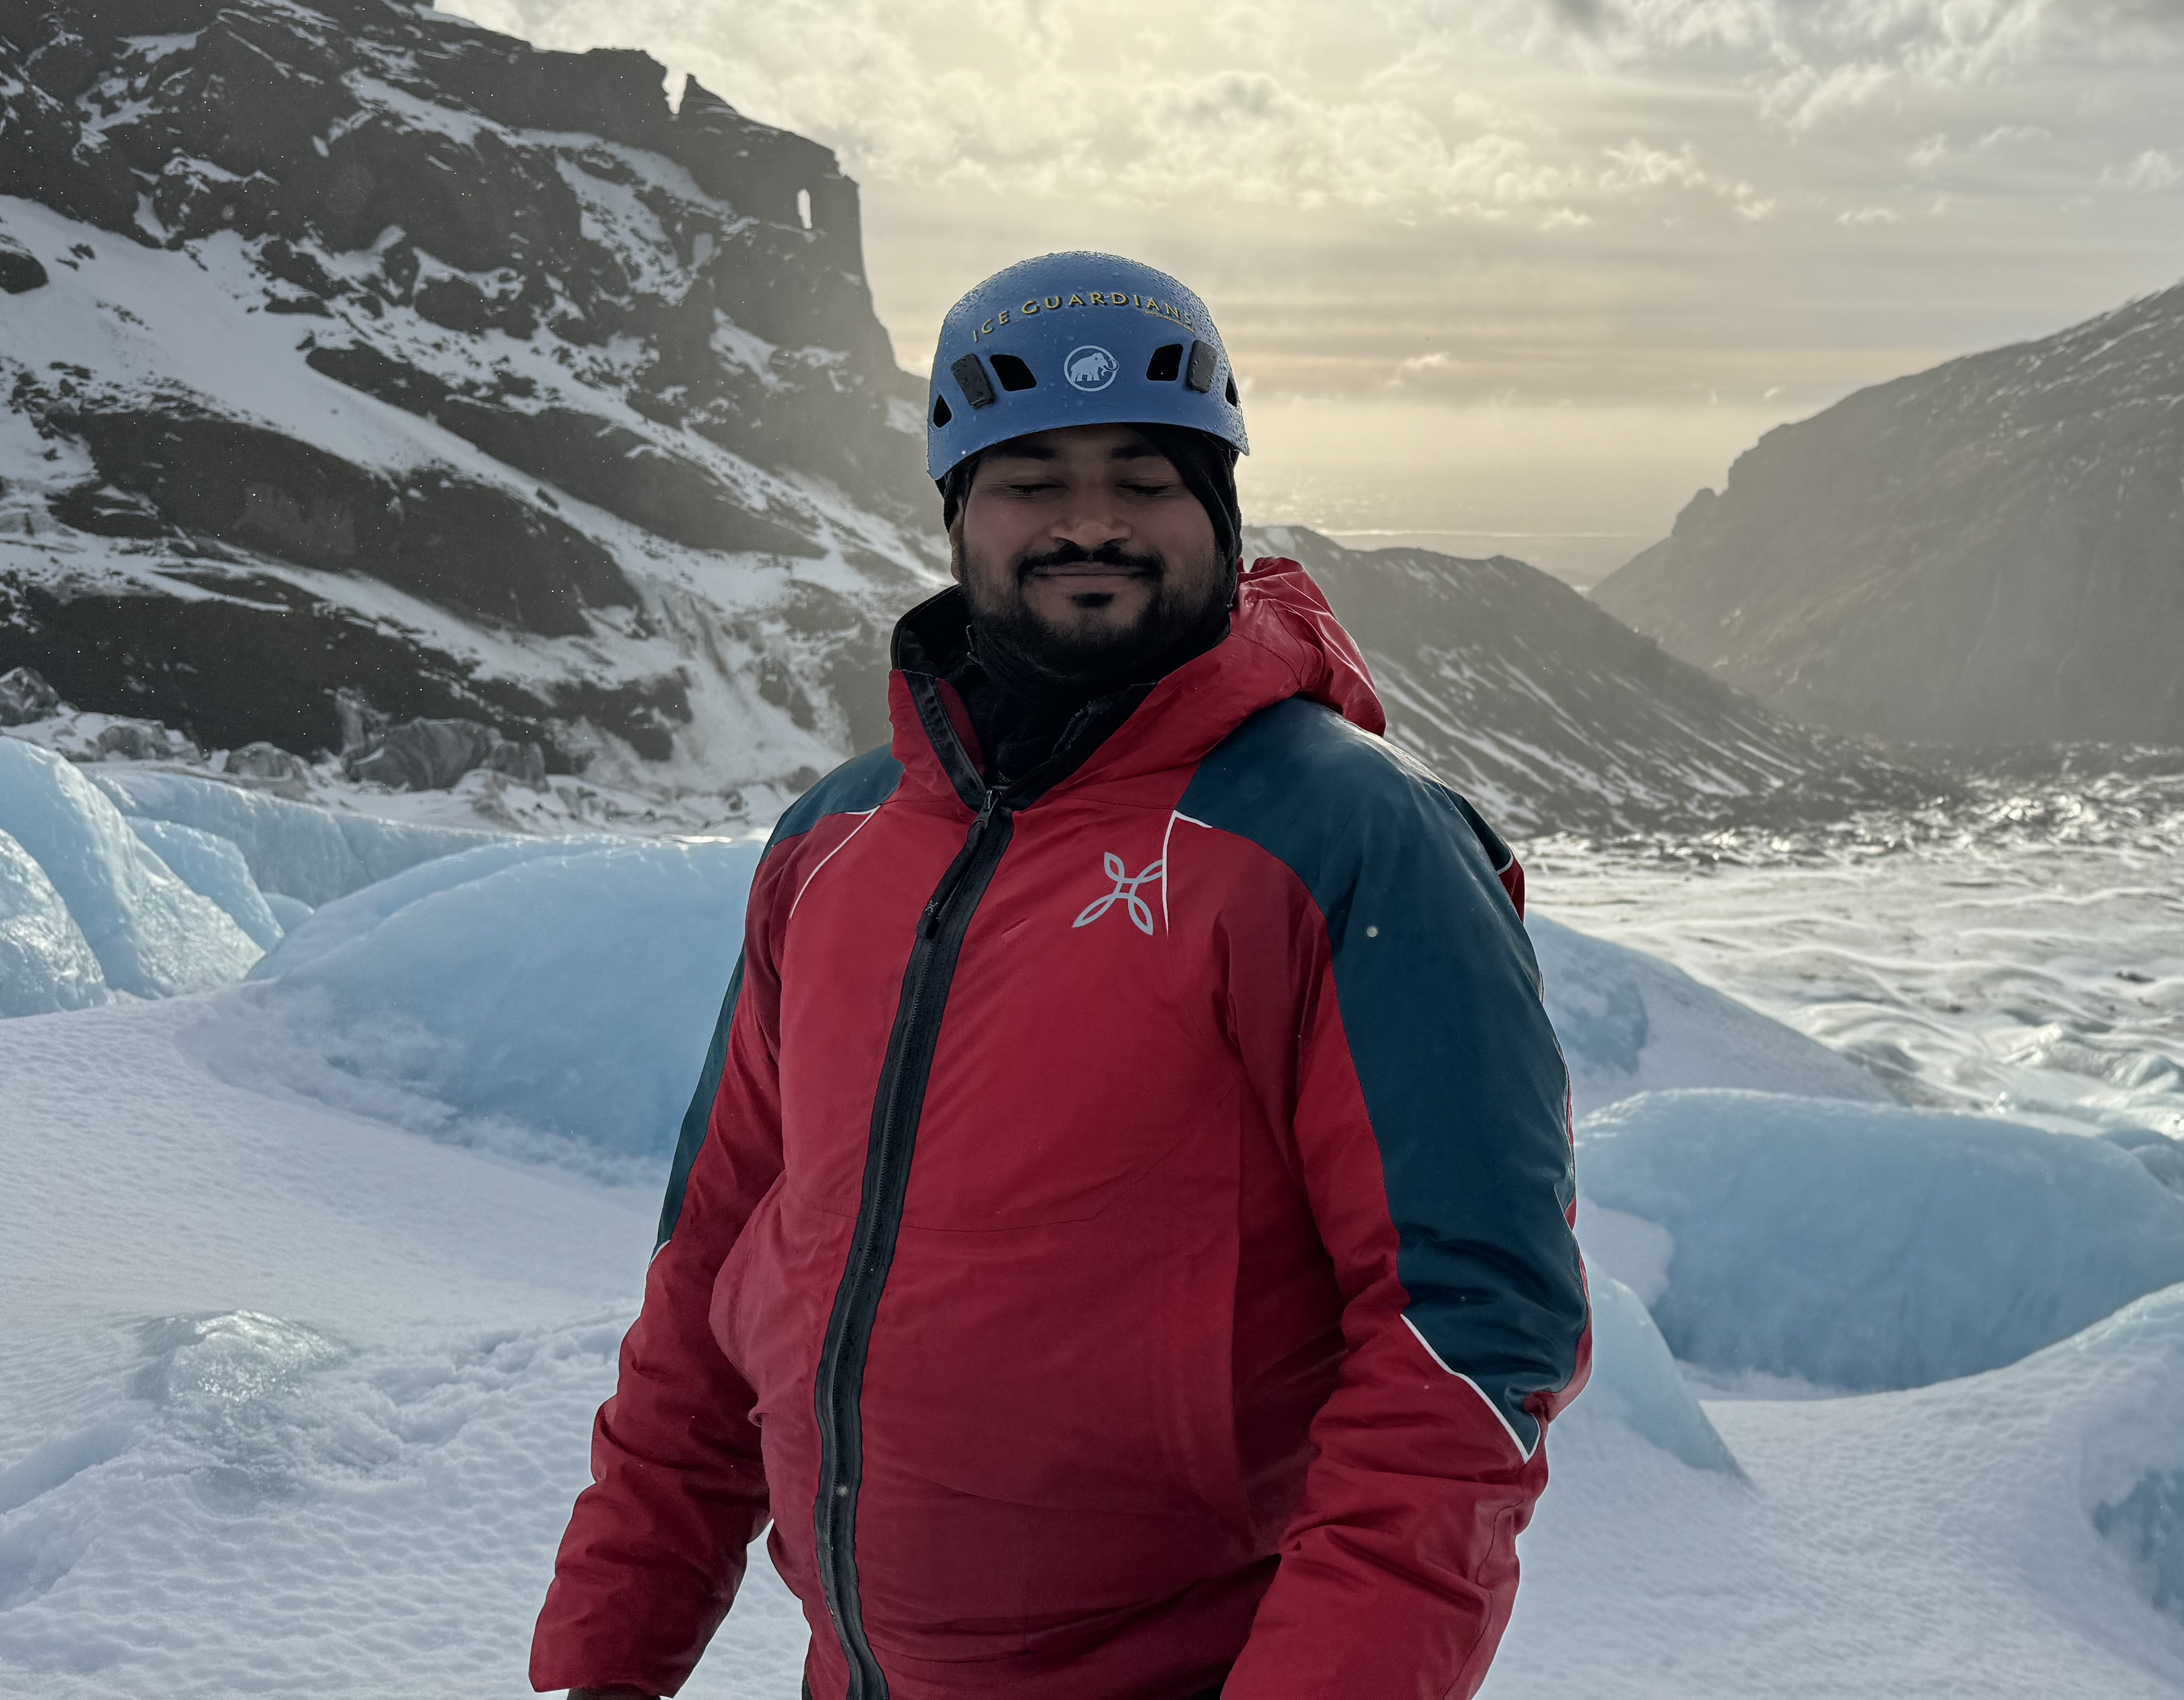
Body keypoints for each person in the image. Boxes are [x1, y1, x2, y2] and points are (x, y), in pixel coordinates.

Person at [531, 252, 1591, 1700]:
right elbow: (713, 1271)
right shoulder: (835, 845)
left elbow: (1464, 1336)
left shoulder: (1348, 840)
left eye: (1145, 477)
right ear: (956, 511)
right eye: (1033, 477)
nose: (1092, 521)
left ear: (1220, 509)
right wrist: (608, 1656)